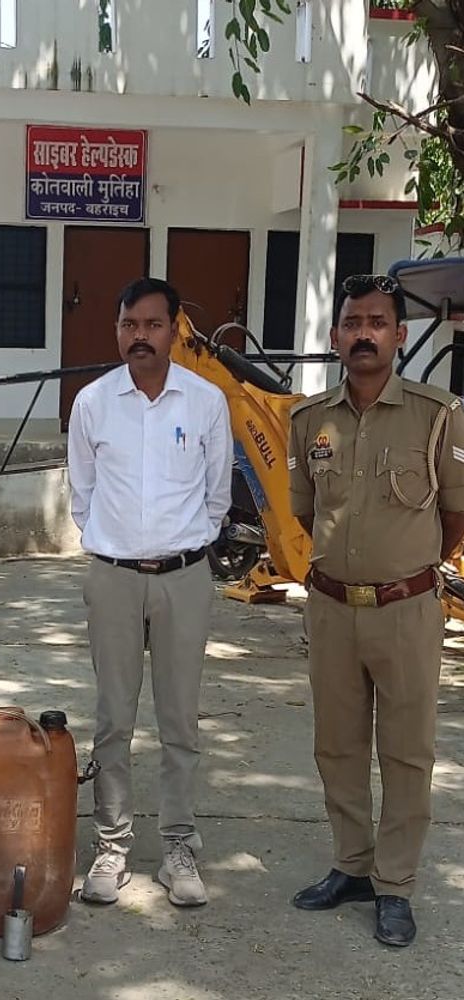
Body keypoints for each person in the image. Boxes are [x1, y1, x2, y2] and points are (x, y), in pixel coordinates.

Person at [288, 274, 464, 947]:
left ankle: (395, 885)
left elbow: (456, 515)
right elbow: (306, 512)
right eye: (353, 322)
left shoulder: (438, 414)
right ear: (336, 336)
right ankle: (352, 866)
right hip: (332, 610)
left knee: (406, 751)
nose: (364, 334)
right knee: (337, 746)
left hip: (407, 610)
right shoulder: (310, 421)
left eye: (377, 322)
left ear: (399, 335)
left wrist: (405, 571)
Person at [67, 277, 232, 907]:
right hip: (112, 576)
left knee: (179, 720)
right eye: (129, 324)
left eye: (152, 325)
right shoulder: (93, 403)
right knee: (113, 718)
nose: (140, 336)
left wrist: (181, 546)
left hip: (184, 579)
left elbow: (217, 495)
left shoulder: (206, 401)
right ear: (117, 330)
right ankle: (112, 845)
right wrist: (116, 546)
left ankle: (179, 846)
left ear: (174, 329)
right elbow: (82, 494)